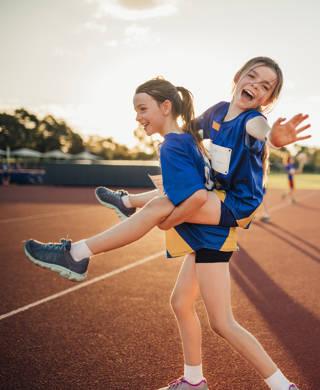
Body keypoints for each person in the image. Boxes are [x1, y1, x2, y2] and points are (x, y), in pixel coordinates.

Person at [24, 57, 310, 390]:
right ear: (238, 77)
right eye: (253, 77)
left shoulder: (253, 121)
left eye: (266, 87)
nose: (256, 87)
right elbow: (188, 133)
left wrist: (274, 139)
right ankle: (193, 381)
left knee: (221, 318)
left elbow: (260, 132)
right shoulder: (217, 111)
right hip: (214, 200)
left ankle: (79, 250)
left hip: (235, 204)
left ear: (268, 99)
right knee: (182, 301)